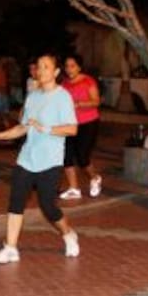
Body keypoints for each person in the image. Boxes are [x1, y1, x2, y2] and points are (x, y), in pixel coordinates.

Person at [0, 53, 80, 263]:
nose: (41, 70)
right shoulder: (33, 96)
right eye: (39, 67)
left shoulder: (62, 96)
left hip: (50, 161)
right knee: (15, 202)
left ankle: (68, 234)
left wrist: (45, 128)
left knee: (48, 207)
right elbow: (23, 127)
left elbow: (72, 128)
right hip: (27, 159)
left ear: (55, 72)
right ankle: (10, 248)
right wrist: (0, 135)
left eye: (46, 67)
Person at [58, 54, 104, 200]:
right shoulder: (64, 84)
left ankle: (95, 177)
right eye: (67, 66)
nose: (69, 69)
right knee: (66, 157)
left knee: (83, 157)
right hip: (69, 124)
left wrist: (78, 104)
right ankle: (73, 188)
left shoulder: (88, 81)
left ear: (79, 67)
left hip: (88, 122)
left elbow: (96, 102)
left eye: (72, 66)